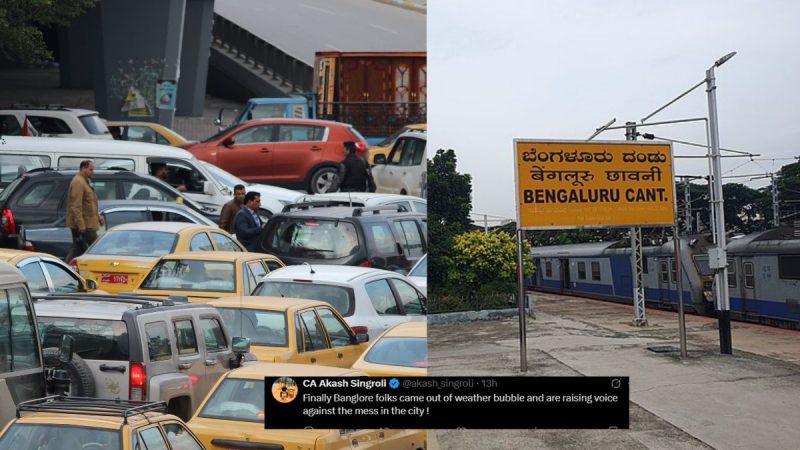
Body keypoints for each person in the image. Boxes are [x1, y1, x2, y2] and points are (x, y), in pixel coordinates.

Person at [65, 160, 104, 262]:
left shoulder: (85, 181)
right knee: (94, 248)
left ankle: (68, 268)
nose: (93, 172)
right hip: (85, 225)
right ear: (83, 169)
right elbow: (75, 206)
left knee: (78, 249)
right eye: (91, 169)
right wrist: (81, 225)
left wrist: (98, 216)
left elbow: (89, 204)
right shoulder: (78, 182)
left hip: (89, 222)